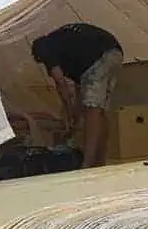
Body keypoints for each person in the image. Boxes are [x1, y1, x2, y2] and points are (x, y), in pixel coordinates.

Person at [30, 23, 123, 168]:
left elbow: (60, 82)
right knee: (100, 111)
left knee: (92, 111)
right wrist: (75, 116)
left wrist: (68, 111)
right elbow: (81, 91)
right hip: (115, 52)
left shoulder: (46, 48)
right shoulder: (67, 48)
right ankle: (100, 160)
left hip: (98, 58)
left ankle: (87, 163)